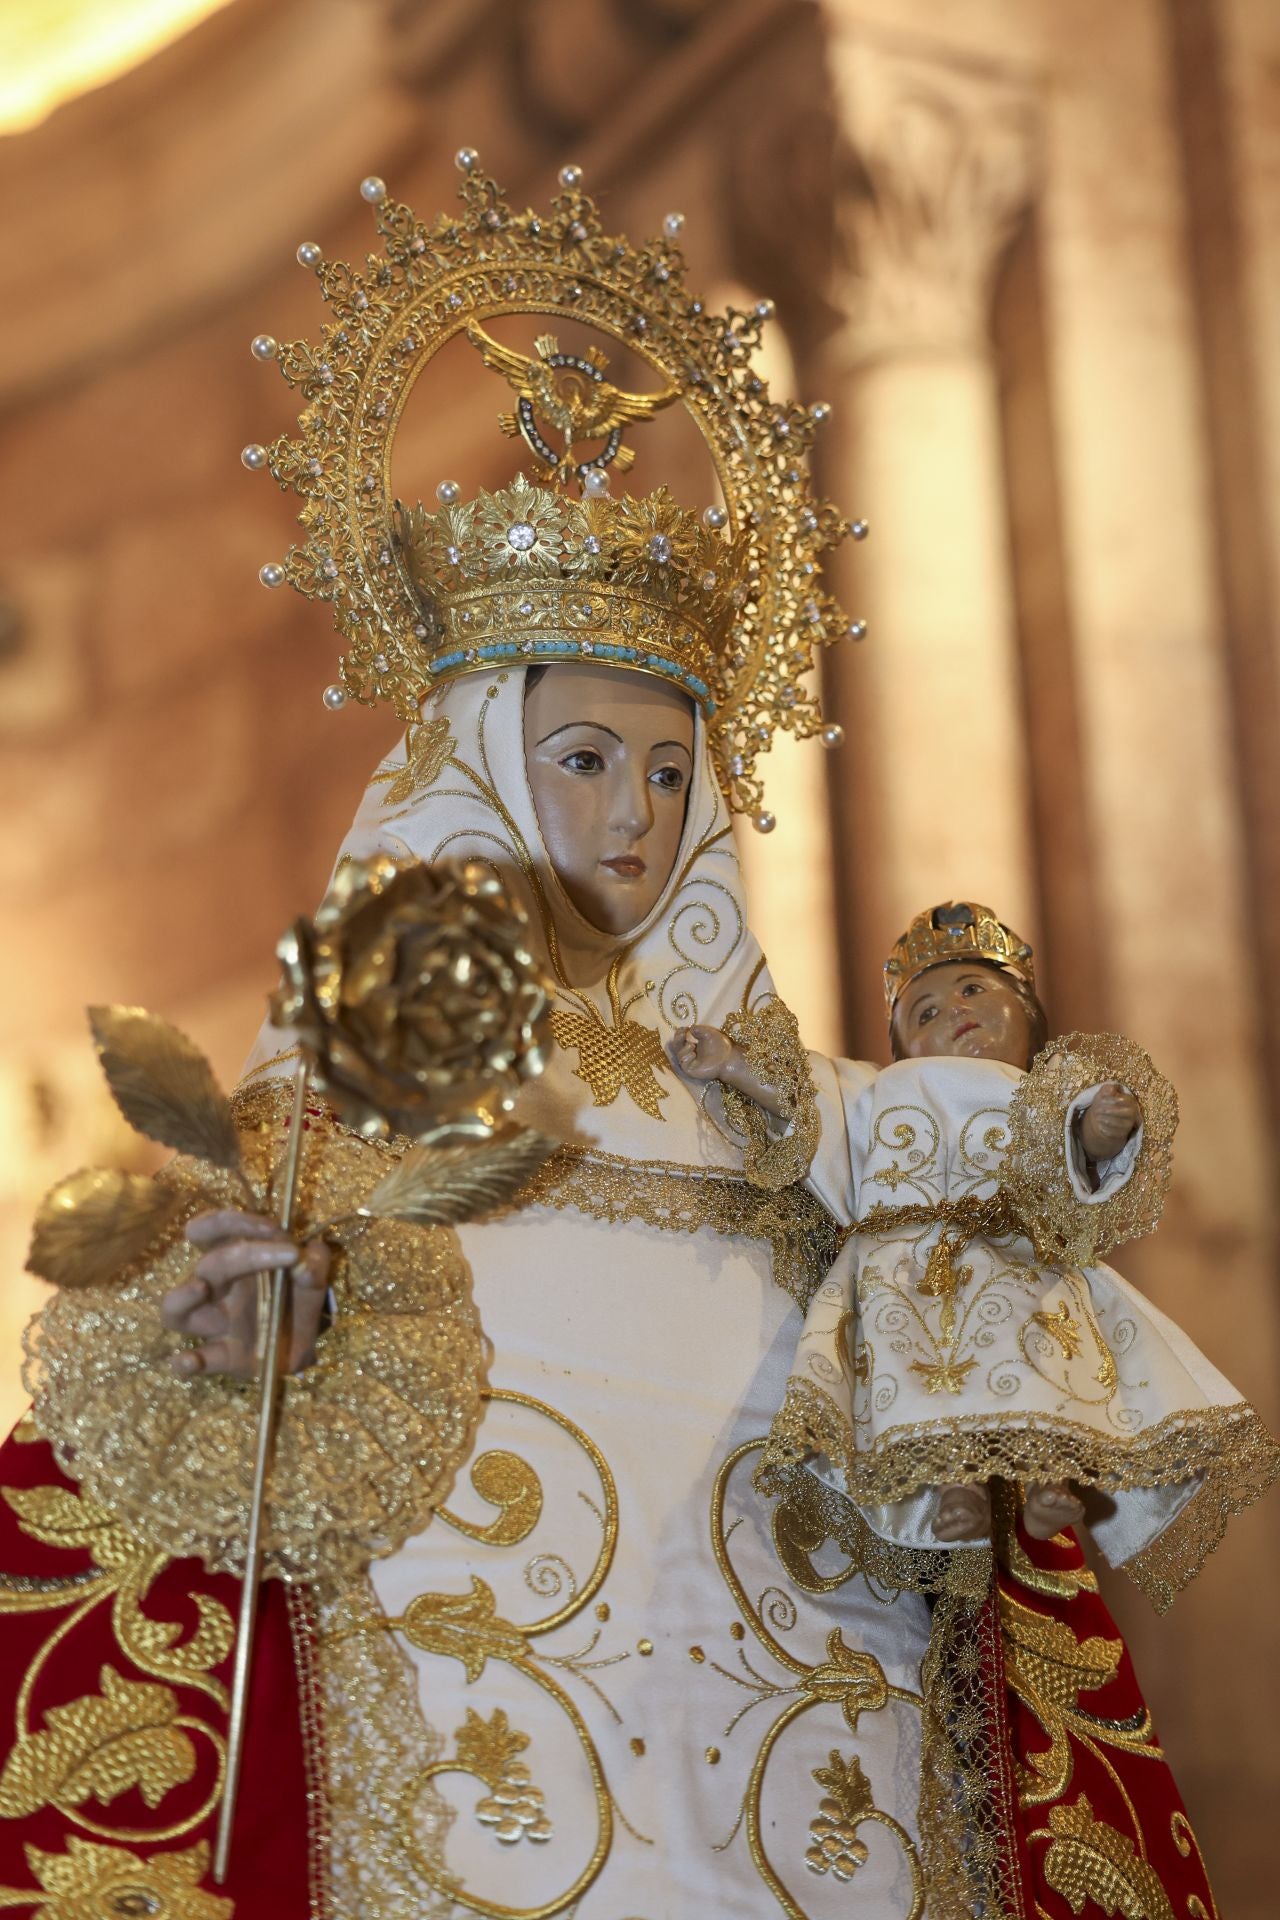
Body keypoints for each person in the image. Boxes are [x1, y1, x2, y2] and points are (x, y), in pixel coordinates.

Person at [0, 162, 1234, 1919]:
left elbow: (954, 1207)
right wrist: (233, 1325)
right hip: (465, 1756)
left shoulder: (767, 1097)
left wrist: (1054, 1150)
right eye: (585, 761)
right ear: (486, 765)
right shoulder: (367, 1074)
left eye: (672, 775)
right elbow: (232, 1373)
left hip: (809, 1743)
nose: (638, 819)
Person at [673, 899, 1279, 1597]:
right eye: (923, 1013)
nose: (953, 1012)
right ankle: (954, 1489)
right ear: (902, 1049)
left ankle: (1050, 1482)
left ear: (1025, 1009)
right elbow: (808, 1096)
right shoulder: (885, 1089)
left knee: (1045, 1359)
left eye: (972, 989)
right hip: (908, 1267)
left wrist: (1105, 1129)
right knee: (932, 1377)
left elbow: (1080, 1153)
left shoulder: (1043, 1095)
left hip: (1016, 1260)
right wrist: (733, 1065)